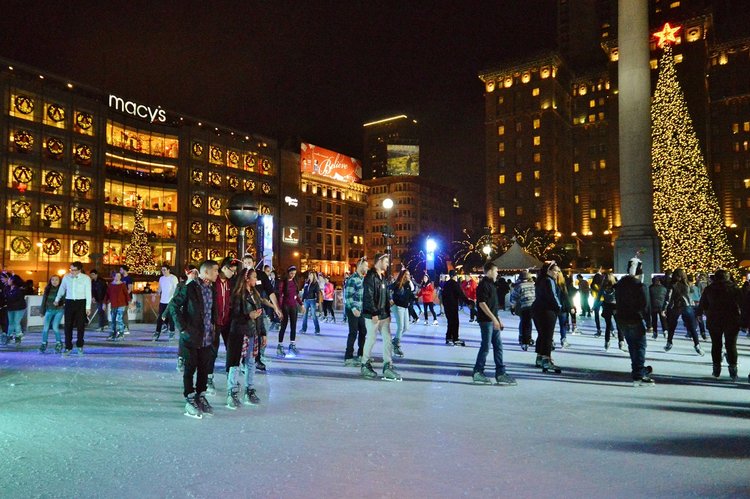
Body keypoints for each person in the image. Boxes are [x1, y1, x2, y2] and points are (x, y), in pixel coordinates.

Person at [168, 260, 219, 419]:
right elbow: (173, 306)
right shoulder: (189, 288)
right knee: (190, 368)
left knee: (204, 367)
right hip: (191, 336)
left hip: (207, 336)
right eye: (216, 271)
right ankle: (189, 398)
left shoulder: (212, 289)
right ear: (206, 272)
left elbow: (211, 312)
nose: (218, 273)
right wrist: (183, 328)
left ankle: (200, 395)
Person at [472, 261, 517, 385]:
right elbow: (482, 304)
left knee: (498, 346)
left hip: (492, 320)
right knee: (486, 346)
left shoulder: (492, 285)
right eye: (496, 271)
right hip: (486, 321)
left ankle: (500, 373)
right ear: (490, 271)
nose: (497, 273)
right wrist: (493, 319)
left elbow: (493, 306)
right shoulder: (483, 285)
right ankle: (478, 372)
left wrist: (498, 320)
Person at [361, 253, 401, 381]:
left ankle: (387, 366)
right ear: (379, 261)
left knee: (388, 340)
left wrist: (387, 312)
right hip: (373, 315)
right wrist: (374, 313)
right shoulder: (370, 277)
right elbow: (368, 296)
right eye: (386, 261)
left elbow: (384, 296)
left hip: (383, 315)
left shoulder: (382, 277)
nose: (388, 264)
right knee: (371, 339)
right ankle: (365, 364)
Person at [226, 268, 263, 409]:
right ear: (247, 279)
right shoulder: (238, 295)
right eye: (254, 277)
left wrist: (262, 332)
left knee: (251, 362)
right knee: (235, 363)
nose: (256, 279)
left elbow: (259, 314)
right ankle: (232, 392)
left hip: (252, 332)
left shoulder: (255, 294)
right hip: (240, 332)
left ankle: (249, 390)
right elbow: (234, 316)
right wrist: (249, 316)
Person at [699, 269, 741, 381]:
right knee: (731, 344)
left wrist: (700, 313)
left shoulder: (709, 289)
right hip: (731, 319)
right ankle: (733, 369)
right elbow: (742, 303)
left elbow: (703, 303)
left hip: (714, 319)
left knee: (716, 344)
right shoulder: (735, 289)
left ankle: (716, 368)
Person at [614, 273, 654, 386]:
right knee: (640, 346)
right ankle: (639, 373)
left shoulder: (620, 285)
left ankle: (638, 371)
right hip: (635, 318)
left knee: (632, 346)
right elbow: (645, 306)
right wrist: (649, 324)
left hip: (622, 318)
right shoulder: (640, 286)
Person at [208, 257, 240, 395]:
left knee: (231, 349)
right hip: (215, 322)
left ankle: (231, 376)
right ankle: (208, 378)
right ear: (224, 268)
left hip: (228, 321)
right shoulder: (212, 283)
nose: (233, 273)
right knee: (212, 351)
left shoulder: (231, 283)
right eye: (231, 270)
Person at [55, 262, 92, 355]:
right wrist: (57, 299)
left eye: (74, 270)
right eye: (71, 269)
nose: (72, 272)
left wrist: (88, 307)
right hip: (69, 302)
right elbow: (62, 289)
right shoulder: (66, 277)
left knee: (80, 326)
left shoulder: (86, 278)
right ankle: (68, 347)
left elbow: (88, 293)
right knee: (68, 325)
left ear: (79, 270)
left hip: (81, 302)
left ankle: (80, 346)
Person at [664, 268, 704, 356]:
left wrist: (664, 308)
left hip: (677, 306)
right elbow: (689, 296)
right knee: (692, 327)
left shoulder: (673, 285)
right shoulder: (686, 284)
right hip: (686, 306)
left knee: (672, 326)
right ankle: (697, 345)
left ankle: (669, 342)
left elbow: (668, 297)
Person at [531, 262, 562, 373]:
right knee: (548, 336)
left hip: (537, 309)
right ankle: (546, 360)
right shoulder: (549, 280)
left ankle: (539, 358)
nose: (557, 273)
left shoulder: (540, 280)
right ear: (549, 271)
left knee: (542, 334)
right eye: (555, 271)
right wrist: (559, 307)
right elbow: (553, 295)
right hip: (547, 311)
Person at [170, 265, 198, 372]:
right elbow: (174, 302)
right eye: (192, 272)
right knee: (184, 339)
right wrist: (165, 313)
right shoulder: (182, 285)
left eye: (195, 272)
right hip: (184, 318)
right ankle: (181, 358)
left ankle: (191, 360)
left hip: (195, 319)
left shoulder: (198, 285)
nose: (194, 275)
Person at [344, 257, 368, 367]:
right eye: (366, 266)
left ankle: (361, 354)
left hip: (361, 310)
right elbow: (348, 296)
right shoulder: (352, 279)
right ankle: (348, 357)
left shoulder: (363, 279)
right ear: (360, 266)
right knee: (353, 332)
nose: (367, 268)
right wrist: (353, 309)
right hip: (352, 310)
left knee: (363, 331)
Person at [277, 266, 303, 357]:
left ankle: (292, 345)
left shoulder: (295, 282)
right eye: (291, 273)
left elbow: (296, 294)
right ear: (288, 273)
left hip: (293, 306)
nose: (293, 275)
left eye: (294, 274)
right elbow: (280, 296)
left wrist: (301, 304)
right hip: (285, 306)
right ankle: (280, 346)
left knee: (293, 326)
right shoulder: (283, 282)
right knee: (283, 326)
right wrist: (279, 308)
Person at [390, 269, 415, 356]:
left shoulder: (408, 284)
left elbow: (412, 290)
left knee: (406, 327)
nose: (408, 276)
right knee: (400, 327)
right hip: (398, 307)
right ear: (403, 275)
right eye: (407, 274)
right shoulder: (397, 284)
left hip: (405, 307)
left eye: (409, 274)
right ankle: (396, 346)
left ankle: (395, 340)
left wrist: (413, 298)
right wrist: (390, 299)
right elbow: (389, 289)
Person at [509, 271, 535, 350]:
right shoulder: (533, 285)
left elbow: (513, 297)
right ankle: (529, 337)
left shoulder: (519, 286)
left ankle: (524, 341)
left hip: (524, 307)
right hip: (533, 306)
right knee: (529, 322)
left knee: (524, 323)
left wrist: (512, 307)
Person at [441, 270, 468, 347]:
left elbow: (443, 296)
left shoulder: (446, 284)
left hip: (447, 306)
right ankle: (455, 338)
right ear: (453, 276)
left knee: (450, 322)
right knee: (455, 322)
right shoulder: (455, 284)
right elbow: (460, 294)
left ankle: (449, 337)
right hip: (452, 306)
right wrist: (468, 302)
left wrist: (445, 304)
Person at [597, 273, 623, 351]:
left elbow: (598, 298)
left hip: (609, 306)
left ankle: (608, 341)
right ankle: (620, 341)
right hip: (613, 306)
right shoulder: (616, 287)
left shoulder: (604, 287)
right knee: (617, 325)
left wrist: (595, 305)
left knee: (609, 325)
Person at [39, 275, 64, 353]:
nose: (54, 281)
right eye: (53, 280)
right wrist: (42, 311)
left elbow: (64, 300)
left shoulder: (62, 289)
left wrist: (59, 303)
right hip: (49, 310)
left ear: (59, 281)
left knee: (55, 327)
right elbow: (44, 301)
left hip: (59, 311)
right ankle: (44, 343)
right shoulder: (47, 289)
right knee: (45, 328)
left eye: (56, 280)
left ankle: (59, 342)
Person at [154, 264, 178, 341]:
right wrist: (156, 293)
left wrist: (175, 299)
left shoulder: (173, 278)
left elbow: (176, 289)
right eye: (162, 270)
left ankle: (171, 332)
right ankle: (157, 332)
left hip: (170, 301)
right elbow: (160, 288)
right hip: (163, 301)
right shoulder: (161, 278)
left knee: (171, 318)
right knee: (160, 318)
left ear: (168, 270)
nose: (163, 271)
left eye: (164, 270)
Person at [104, 271, 130, 340]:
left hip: (121, 304)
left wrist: (128, 302)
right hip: (113, 305)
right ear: (113, 277)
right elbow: (107, 295)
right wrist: (104, 303)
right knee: (113, 319)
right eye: (117, 276)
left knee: (119, 319)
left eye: (119, 276)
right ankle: (113, 333)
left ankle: (121, 333)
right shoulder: (110, 285)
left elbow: (126, 294)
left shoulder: (122, 285)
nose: (118, 277)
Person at [4, 275, 27, 345]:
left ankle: (18, 337)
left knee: (16, 322)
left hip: (19, 308)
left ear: (13, 281)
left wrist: (7, 301)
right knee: (11, 323)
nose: (8, 280)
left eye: (9, 279)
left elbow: (14, 298)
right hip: (10, 308)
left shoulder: (19, 289)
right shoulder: (7, 288)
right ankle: (9, 336)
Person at [555, 270, 574, 349]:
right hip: (563, 308)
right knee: (563, 325)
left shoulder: (552, 284)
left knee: (551, 326)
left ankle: (551, 340)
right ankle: (563, 339)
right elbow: (567, 297)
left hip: (553, 307)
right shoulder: (563, 285)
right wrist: (571, 307)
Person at [300, 270, 321, 335]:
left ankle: (317, 329)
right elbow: (304, 292)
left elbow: (318, 293)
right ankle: (303, 329)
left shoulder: (315, 283)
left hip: (312, 301)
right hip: (306, 300)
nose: (310, 276)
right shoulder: (307, 282)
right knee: (304, 315)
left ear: (314, 276)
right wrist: (302, 300)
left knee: (314, 315)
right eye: (309, 275)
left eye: (311, 275)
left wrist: (317, 301)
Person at [119, 265, 134, 334]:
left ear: (124, 270)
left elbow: (130, 289)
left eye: (121, 269)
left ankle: (126, 327)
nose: (120, 271)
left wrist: (125, 296)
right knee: (122, 312)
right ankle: (123, 327)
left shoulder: (129, 278)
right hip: (122, 298)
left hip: (127, 298)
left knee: (124, 312)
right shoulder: (121, 279)